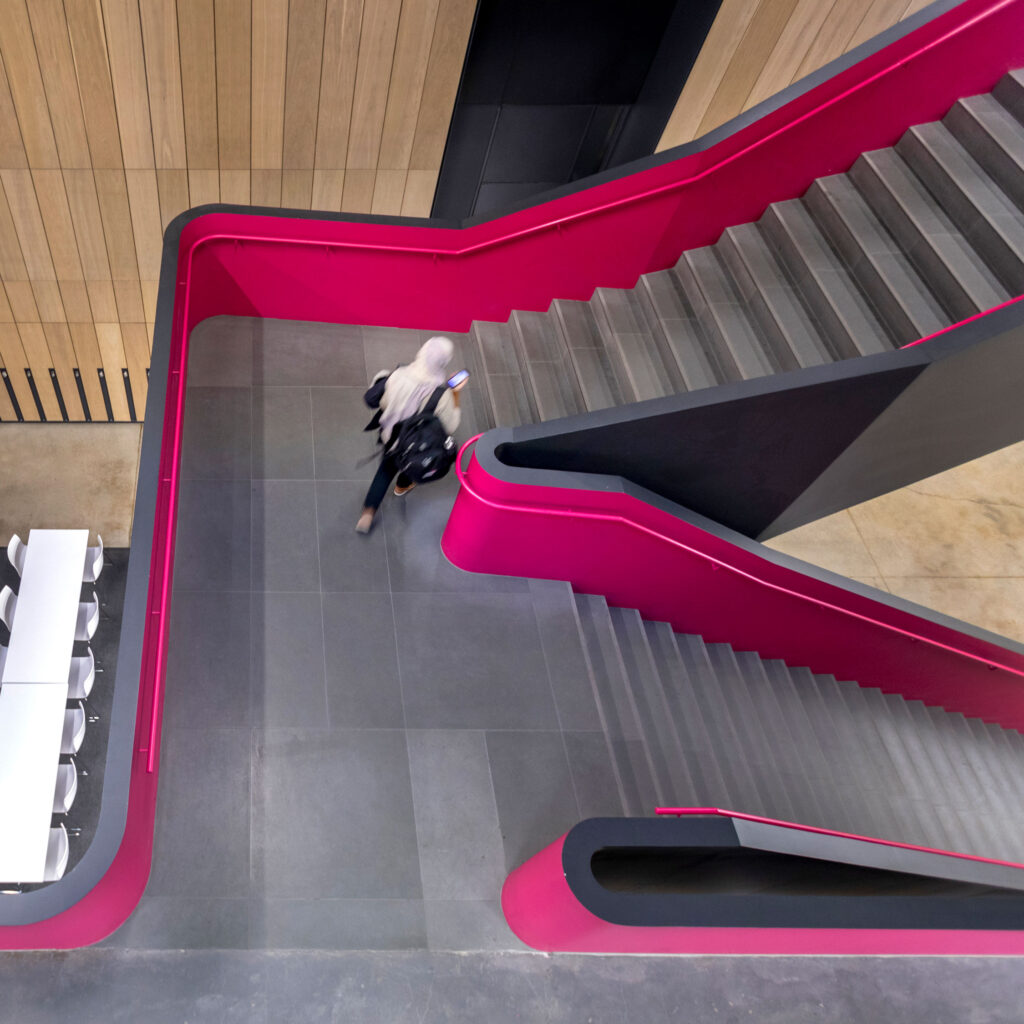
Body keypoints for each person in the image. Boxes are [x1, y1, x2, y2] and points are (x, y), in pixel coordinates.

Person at [356, 335, 464, 534]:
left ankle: (368, 513)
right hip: (418, 445)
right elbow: (450, 425)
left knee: (384, 471)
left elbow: (376, 400)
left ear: (422, 352)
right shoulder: (442, 395)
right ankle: (402, 486)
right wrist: (455, 393)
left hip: (393, 438)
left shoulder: (397, 375)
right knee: (410, 464)